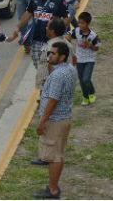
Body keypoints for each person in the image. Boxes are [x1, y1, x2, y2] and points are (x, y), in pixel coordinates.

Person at [32, 41, 76, 200]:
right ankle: (52, 186)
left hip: (55, 121)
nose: (49, 55)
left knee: (55, 156)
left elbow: (52, 100)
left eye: (53, 54)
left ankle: (53, 190)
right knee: (56, 153)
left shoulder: (58, 75)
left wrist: (42, 122)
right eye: (49, 53)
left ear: (62, 57)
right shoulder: (69, 69)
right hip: (63, 118)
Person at [14, 0, 69, 67]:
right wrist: (17, 27)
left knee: (50, 66)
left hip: (53, 41)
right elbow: (28, 14)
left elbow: (67, 18)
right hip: (36, 41)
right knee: (39, 67)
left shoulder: (59, 1)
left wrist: (59, 31)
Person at [70, 12, 100, 106]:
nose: (80, 25)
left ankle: (92, 92)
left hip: (90, 60)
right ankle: (85, 97)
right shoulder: (76, 31)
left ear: (87, 23)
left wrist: (90, 45)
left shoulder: (93, 36)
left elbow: (97, 48)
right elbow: (68, 36)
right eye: (79, 22)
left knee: (86, 79)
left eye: (82, 23)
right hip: (79, 59)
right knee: (81, 80)